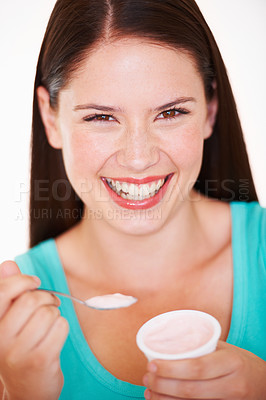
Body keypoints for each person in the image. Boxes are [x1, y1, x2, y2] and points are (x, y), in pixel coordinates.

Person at [0, 0, 265, 398]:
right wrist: (21, 390)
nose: (139, 158)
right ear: (50, 118)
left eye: (171, 112)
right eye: (101, 117)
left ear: (210, 109)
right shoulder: (9, 328)